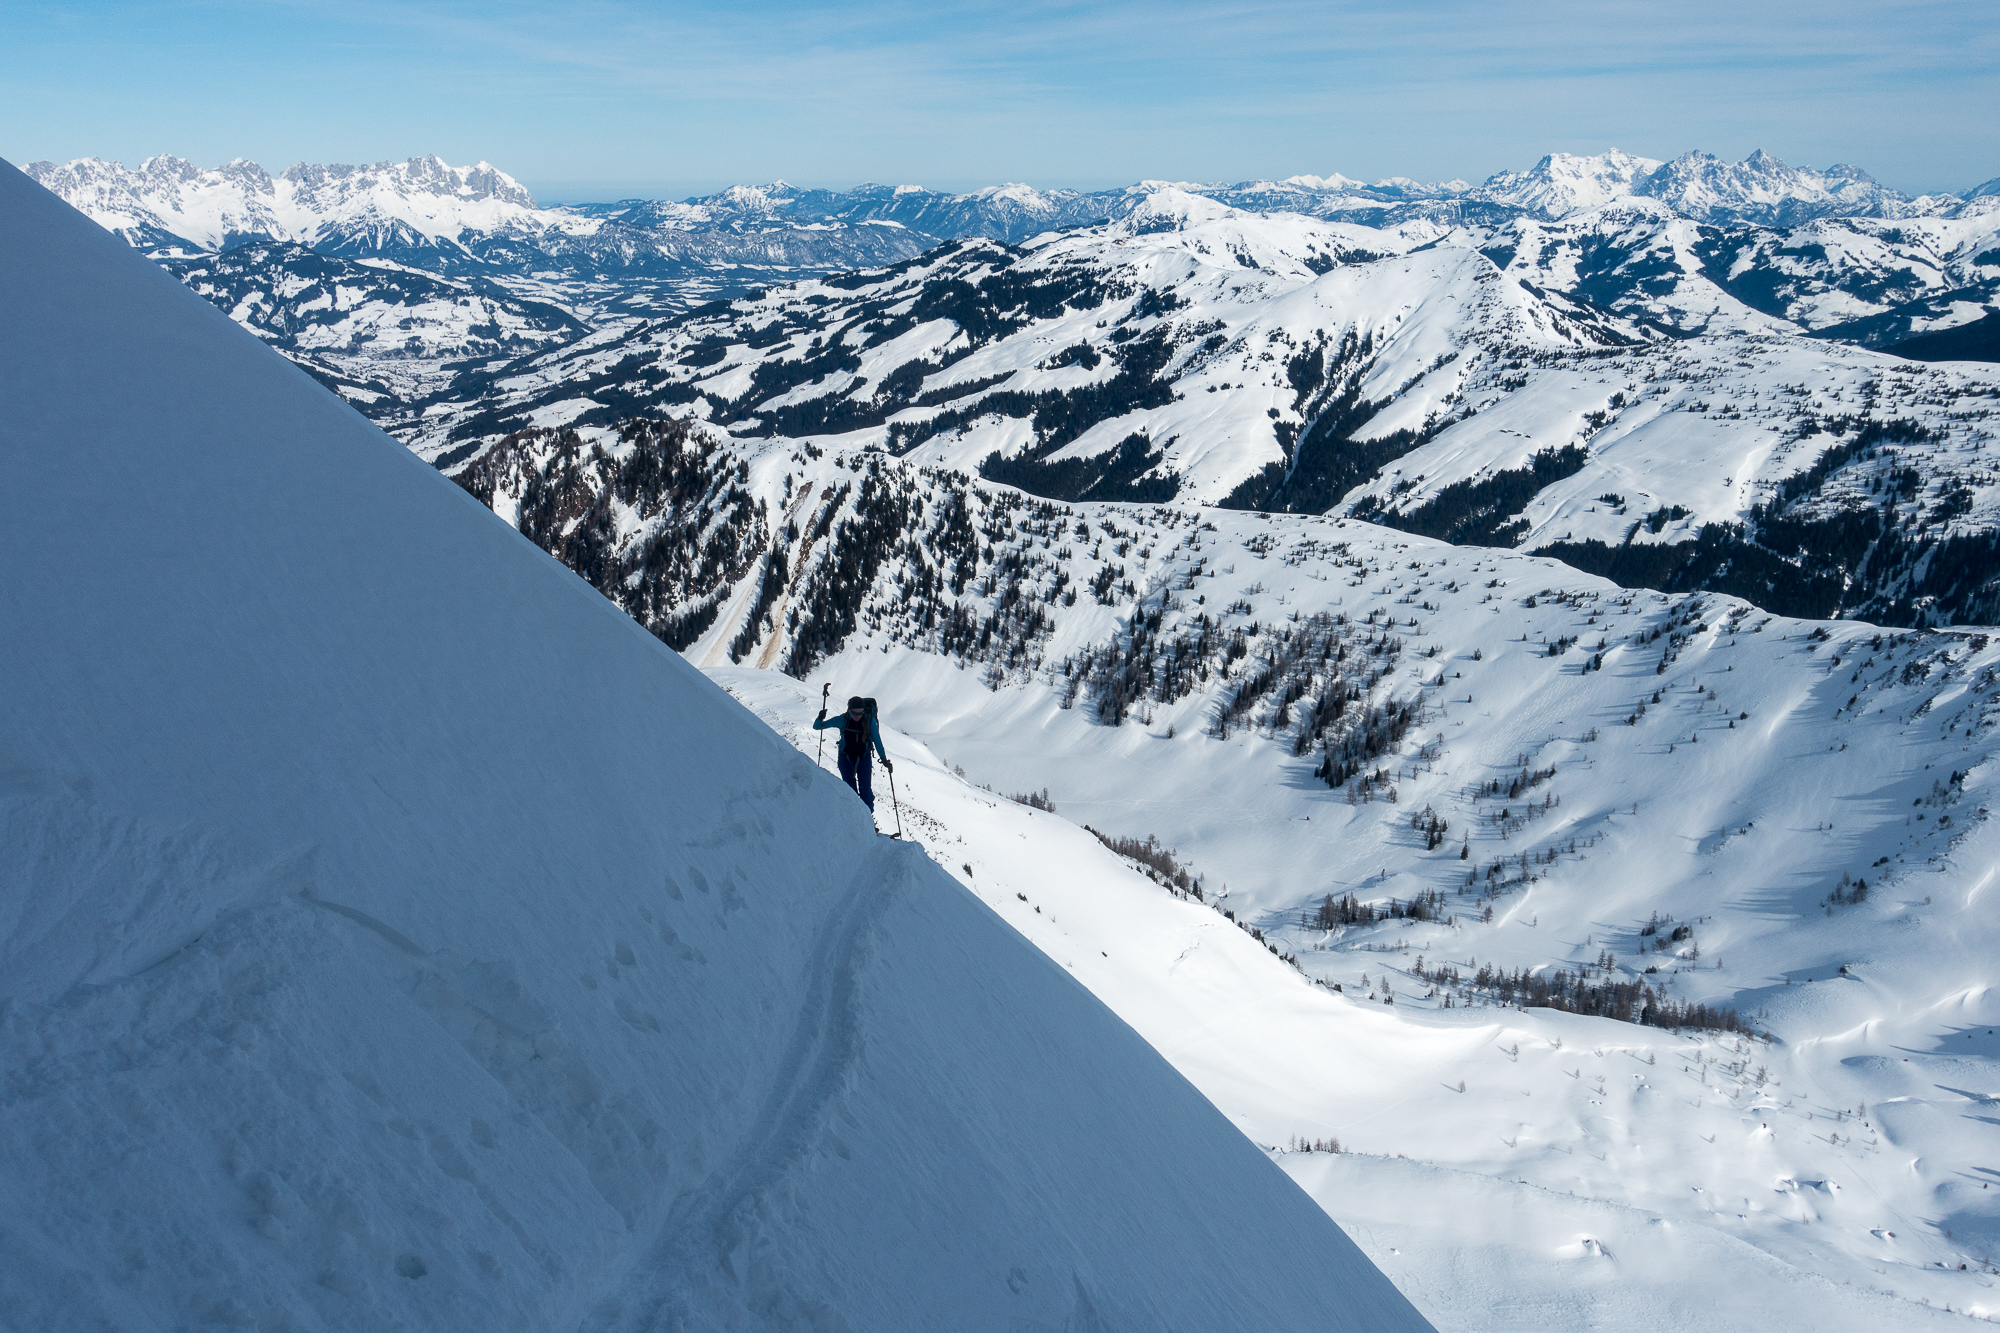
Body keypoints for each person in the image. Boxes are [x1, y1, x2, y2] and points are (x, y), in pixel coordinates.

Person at [815, 695, 891, 811]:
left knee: (865, 791)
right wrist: (820, 718)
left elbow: (877, 741)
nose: (858, 716)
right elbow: (817, 726)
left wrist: (884, 760)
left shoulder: (870, 721)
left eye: (861, 713)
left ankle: (868, 821)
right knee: (850, 791)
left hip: (863, 757)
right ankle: (854, 818)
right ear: (849, 710)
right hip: (845, 758)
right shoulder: (842, 719)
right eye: (855, 713)